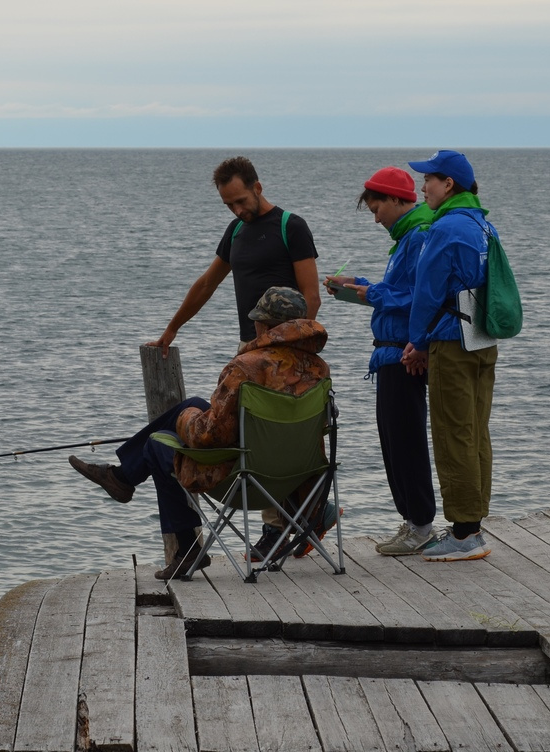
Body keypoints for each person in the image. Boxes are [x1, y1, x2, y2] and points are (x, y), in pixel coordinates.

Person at [71, 287, 331, 579]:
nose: (253, 325)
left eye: (257, 320)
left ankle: (186, 547)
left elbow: (208, 437)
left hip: (243, 477)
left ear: (267, 326)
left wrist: (185, 418)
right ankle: (121, 478)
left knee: (158, 444)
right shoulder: (320, 370)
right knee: (194, 403)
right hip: (295, 480)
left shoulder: (245, 367)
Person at [323, 166, 438, 555]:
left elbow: (420, 297)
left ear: (394, 198)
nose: (375, 219)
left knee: (405, 439)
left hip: (405, 352)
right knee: (393, 438)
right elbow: (401, 291)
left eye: (376, 209)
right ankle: (411, 521)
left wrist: (370, 294)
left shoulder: (419, 235)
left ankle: (420, 525)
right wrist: (358, 288)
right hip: (390, 351)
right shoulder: (407, 237)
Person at [401, 150, 498, 562]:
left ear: (449, 185)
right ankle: (472, 523)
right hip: (482, 339)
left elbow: (427, 292)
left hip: (451, 343)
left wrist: (416, 340)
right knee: (476, 432)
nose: (423, 188)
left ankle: (463, 534)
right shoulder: (483, 224)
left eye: (429, 180)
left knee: (451, 433)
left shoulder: (446, 228)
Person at [150, 157, 321, 354]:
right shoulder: (236, 229)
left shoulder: (291, 226)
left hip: (285, 346)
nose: (237, 210)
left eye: (241, 201)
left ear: (257, 188)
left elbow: (312, 297)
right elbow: (207, 284)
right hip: (248, 346)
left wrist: (297, 348)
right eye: (229, 205)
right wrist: (172, 328)